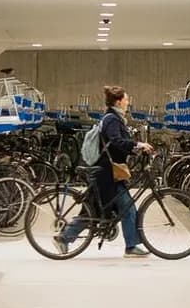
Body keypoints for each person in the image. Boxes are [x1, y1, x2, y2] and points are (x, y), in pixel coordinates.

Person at [54, 85, 153, 257]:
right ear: (118, 101)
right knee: (110, 208)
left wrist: (135, 149)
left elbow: (118, 143)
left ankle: (65, 238)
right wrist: (137, 145)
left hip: (110, 171)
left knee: (101, 208)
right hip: (107, 172)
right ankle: (130, 247)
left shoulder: (113, 118)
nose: (128, 102)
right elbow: (115, 141)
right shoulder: (112, 119)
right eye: (126, 99)